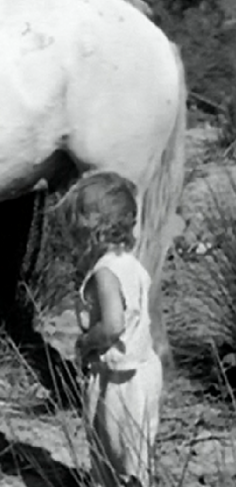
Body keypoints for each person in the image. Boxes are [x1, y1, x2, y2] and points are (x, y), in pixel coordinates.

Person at [58, 171, 161, 487]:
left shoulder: (105, 273)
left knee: (113, 447)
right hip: (143, 370)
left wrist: (86, 342)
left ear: (90, 230)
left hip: (119, 378)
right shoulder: (131, 262)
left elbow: (114, 325)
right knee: (136, 450)